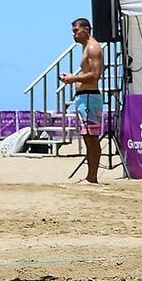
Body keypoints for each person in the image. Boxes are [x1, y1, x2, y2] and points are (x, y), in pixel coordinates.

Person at [59, 17, 106, 182]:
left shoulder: (93, 48)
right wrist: (73, 77)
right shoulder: (87, 47)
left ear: (86, 29)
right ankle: (90, 176)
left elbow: (95, 75)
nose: (73, 34)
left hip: (89, 97)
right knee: (87, 137)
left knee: (91, 138)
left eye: (76, 30)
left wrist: (73, 79)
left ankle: (92, 177)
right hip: (84, 97)